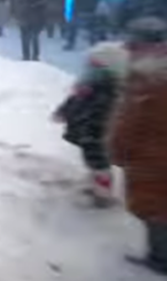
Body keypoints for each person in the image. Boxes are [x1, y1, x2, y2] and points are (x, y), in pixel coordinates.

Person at [110, 17, 167, 274]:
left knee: (155, 208)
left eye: (133, 44)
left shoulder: (149, 78)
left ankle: (160, 258)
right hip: (153, 153)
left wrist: (118, 148)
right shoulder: (154, 72)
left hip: (152, 157)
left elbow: (131, 120)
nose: (129, 50)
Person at [53, 42, 127, 207]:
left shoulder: (109, 92)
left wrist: (92, 135)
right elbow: (75, 99)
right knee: (94, 162)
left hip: (95, 134)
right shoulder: (90, 85)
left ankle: (102, 195)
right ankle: (97, 184)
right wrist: (64, 110)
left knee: (99, 164)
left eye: (95, 66)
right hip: (86, 132)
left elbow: (102, 116)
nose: (90, 70)